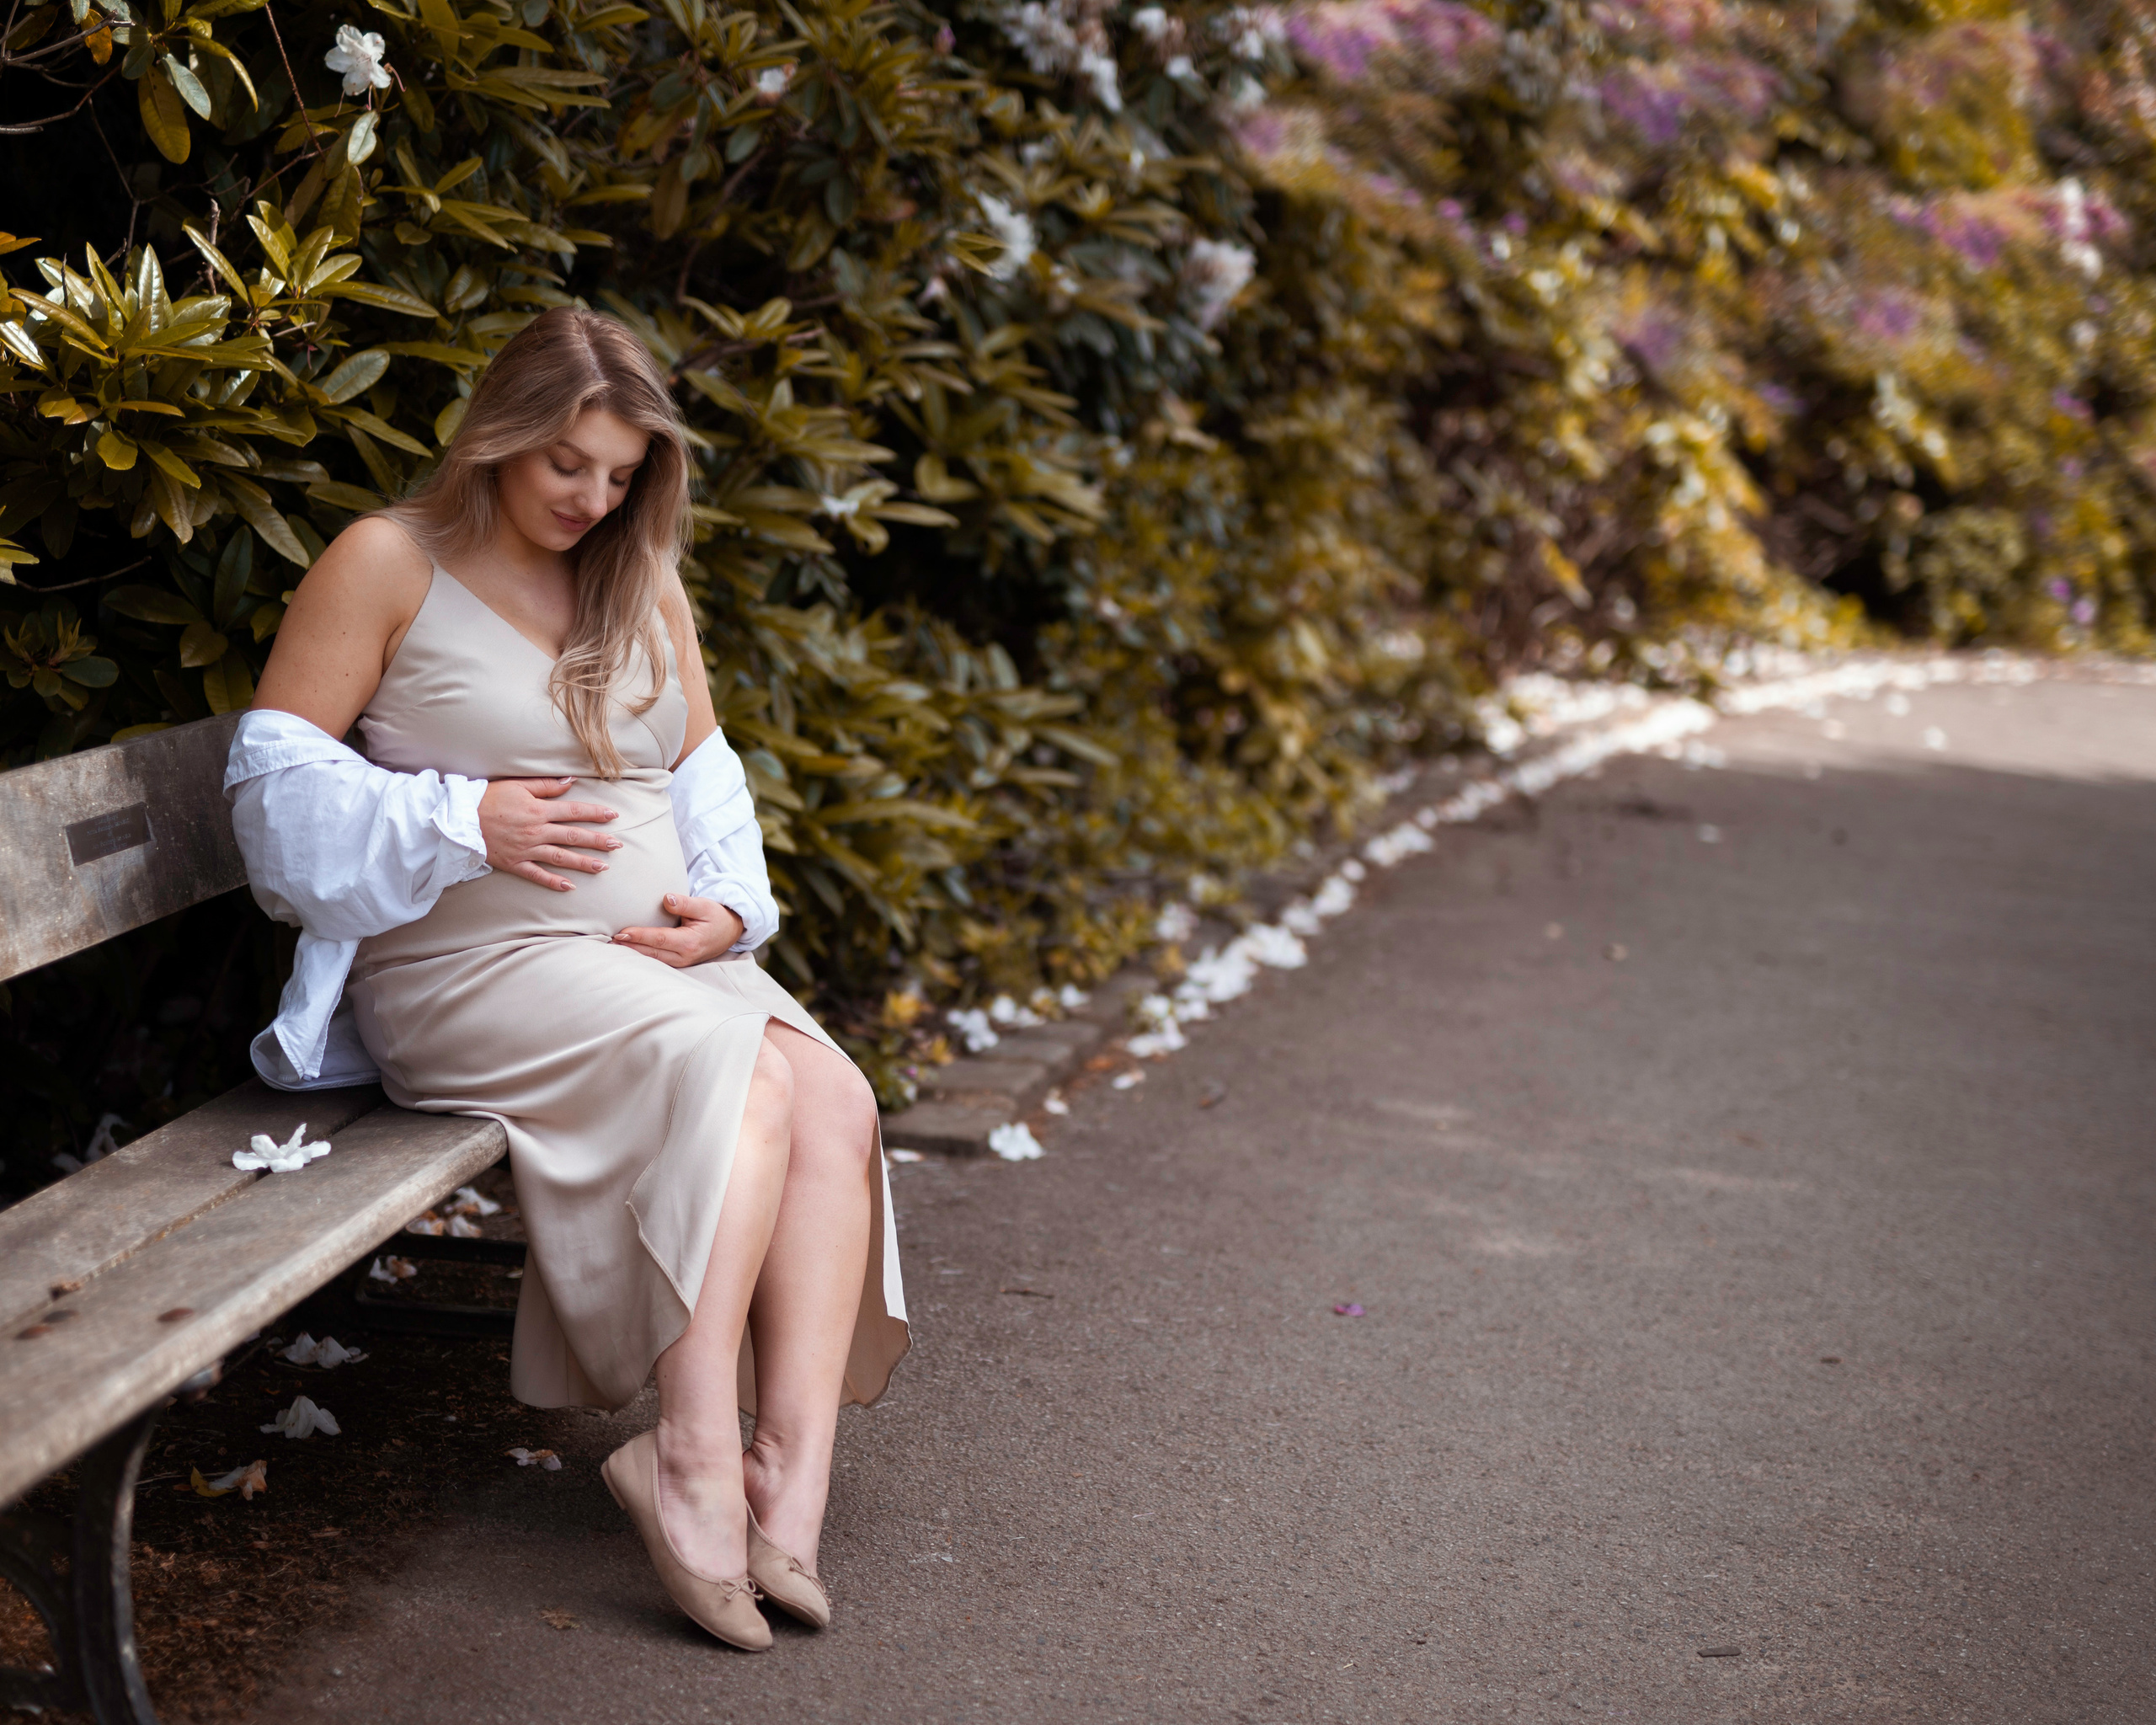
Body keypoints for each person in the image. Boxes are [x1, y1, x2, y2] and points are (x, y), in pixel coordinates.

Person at [225, 307, 908, 1653]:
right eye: (568, 468)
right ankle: (689, 1454)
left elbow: (705, 778)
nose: (593, 501)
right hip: (470, 968)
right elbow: (272, 800)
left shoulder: (634, 573)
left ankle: (790, 1479)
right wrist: (459, 822)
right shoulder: (387, 560)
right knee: (740, 1084)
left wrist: (732, 914)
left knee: (831, 1095)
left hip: (646, 966)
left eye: (620, 476)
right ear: (500, 435)